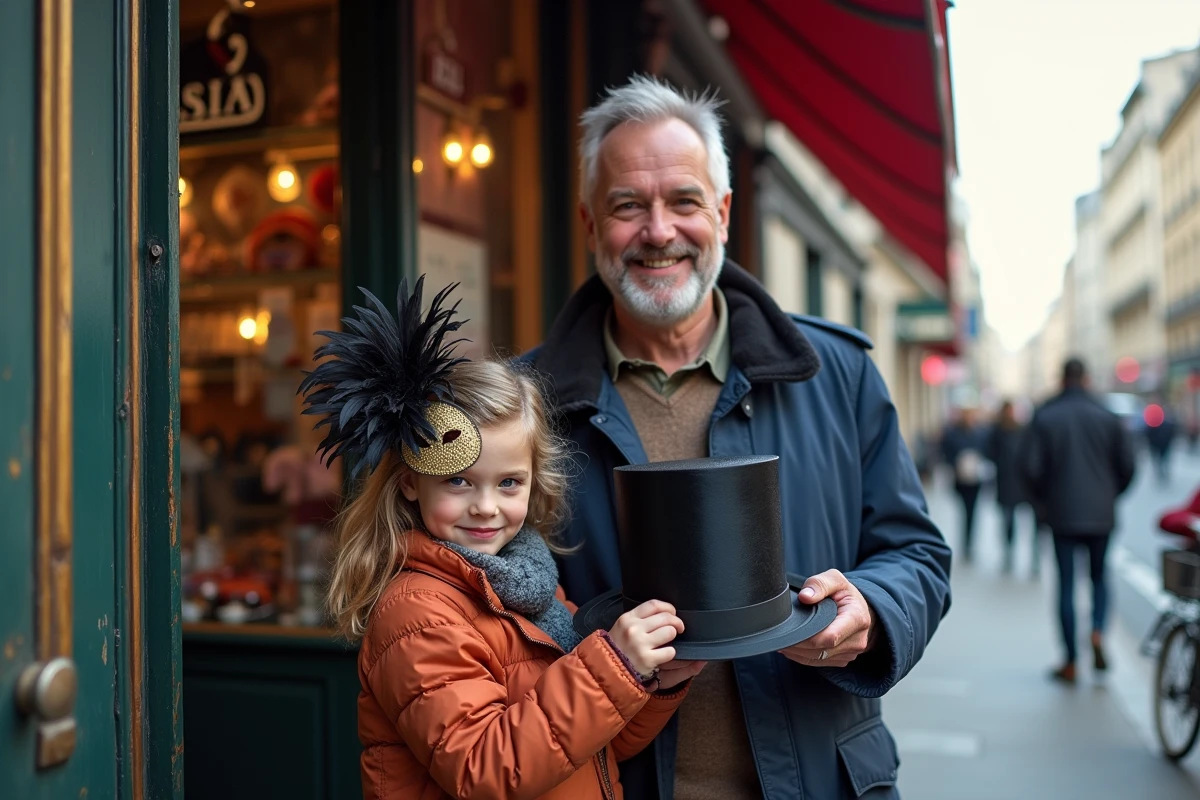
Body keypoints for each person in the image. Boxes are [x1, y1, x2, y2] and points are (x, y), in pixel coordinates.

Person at [527, 76, 952, 800]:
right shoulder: (522, 407)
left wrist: (873, 609)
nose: (659, 231)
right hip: (610, 784)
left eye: (684, 201)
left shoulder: (837, 374)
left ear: (723, 214)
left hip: (820, 780)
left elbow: (916, 554)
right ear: (591, 225)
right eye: (628, 206)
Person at [303, 280, 703, 799]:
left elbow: (589, 744)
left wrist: (649, 682)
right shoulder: (417, 613)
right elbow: (485, 771)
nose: (487, 506)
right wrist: (612, 666)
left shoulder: (528, 583)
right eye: (458, 481)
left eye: (508, 482)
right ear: (409, 482)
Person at [1019, 358, 1136, 684]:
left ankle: (1070, 660)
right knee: (1099, 578)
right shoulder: (1107, 416)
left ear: (1061, 379)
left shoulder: (1046, 416)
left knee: (1066, 585)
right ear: (1085, 379)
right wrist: (1109, 495)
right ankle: (1098, 631)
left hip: (1062, 514)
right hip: (1101, 514)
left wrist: (1043, 503)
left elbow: (1030, 468)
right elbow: (1128, 466)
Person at [940, 407, 990, 563]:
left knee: (972, 512)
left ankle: (969, 544)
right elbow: (945, 452)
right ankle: (965, 543)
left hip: (975, 479)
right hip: (961, 479)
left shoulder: (980, 433)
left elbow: (987, 451)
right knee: (964, 512)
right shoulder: (953, 433)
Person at [986, 400, 1028, 573]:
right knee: (1008, 520)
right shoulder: (997, 431)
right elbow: (990, 452)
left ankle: (1031, 559)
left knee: (1026, 520)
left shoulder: (1022, 430)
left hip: (1021, 483)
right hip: (1005, 482)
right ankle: (1008, 552)